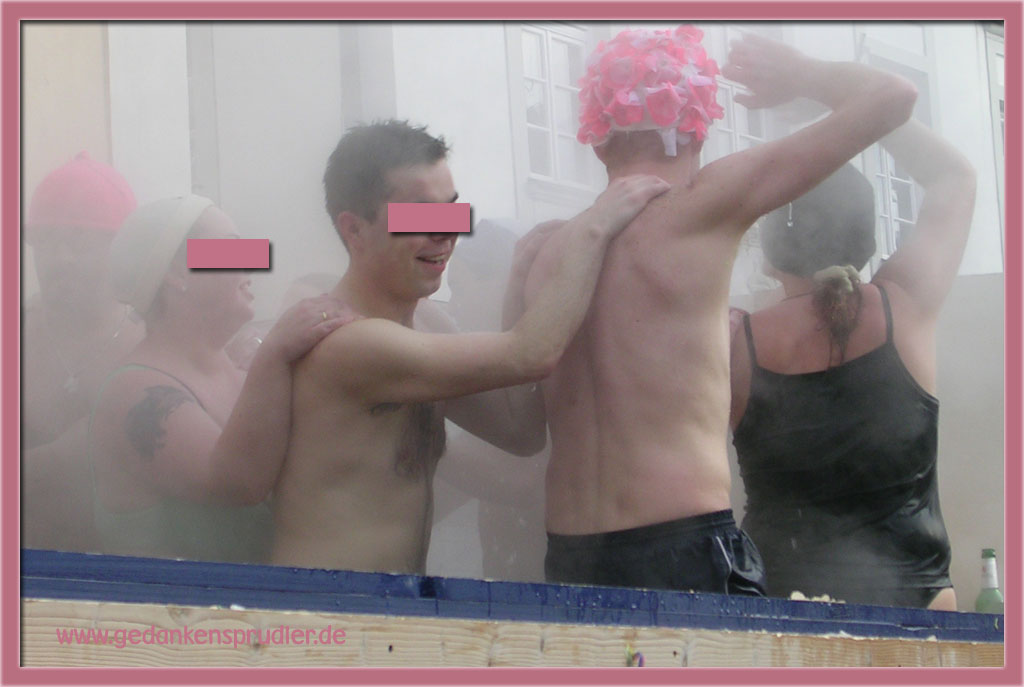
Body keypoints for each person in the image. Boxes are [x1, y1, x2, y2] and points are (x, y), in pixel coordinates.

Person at [518, 28, 917, 594]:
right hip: (681, 548)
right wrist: (799, 73)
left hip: (571, 558)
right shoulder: (703, 205)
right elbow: (895, 96)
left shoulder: (548, 253)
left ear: (597, 140)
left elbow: (519, 431)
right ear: (698, 128)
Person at [269, 119, 669, 573]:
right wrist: (593, 230)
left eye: (452, 211)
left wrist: (517, 287)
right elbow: (532, 353)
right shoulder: (350, 341)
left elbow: (519, 431)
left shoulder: (423, 325)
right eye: (420, 216)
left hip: (392, 604)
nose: (445, 233)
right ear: (354, 230)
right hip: (327, 606)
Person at [729, 118, 975, 610]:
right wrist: (864, 110)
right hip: (917, 605)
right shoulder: (904, 305)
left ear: (772, 253)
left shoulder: (737, 342)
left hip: (780, 605)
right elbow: (954, 177)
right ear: (866, 242)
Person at [88, 195, 350, 563]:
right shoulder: (133, 392)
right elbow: (237, 482)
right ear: (177, 273)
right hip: (169, 601)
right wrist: (275, 354)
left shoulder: (239, 369)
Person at [22, 152, 145, 551]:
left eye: (79, 242)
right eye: (46, 242)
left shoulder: (151, 343)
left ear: (123, 249)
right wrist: (61, 457)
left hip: (116, 572)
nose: (61, 258)